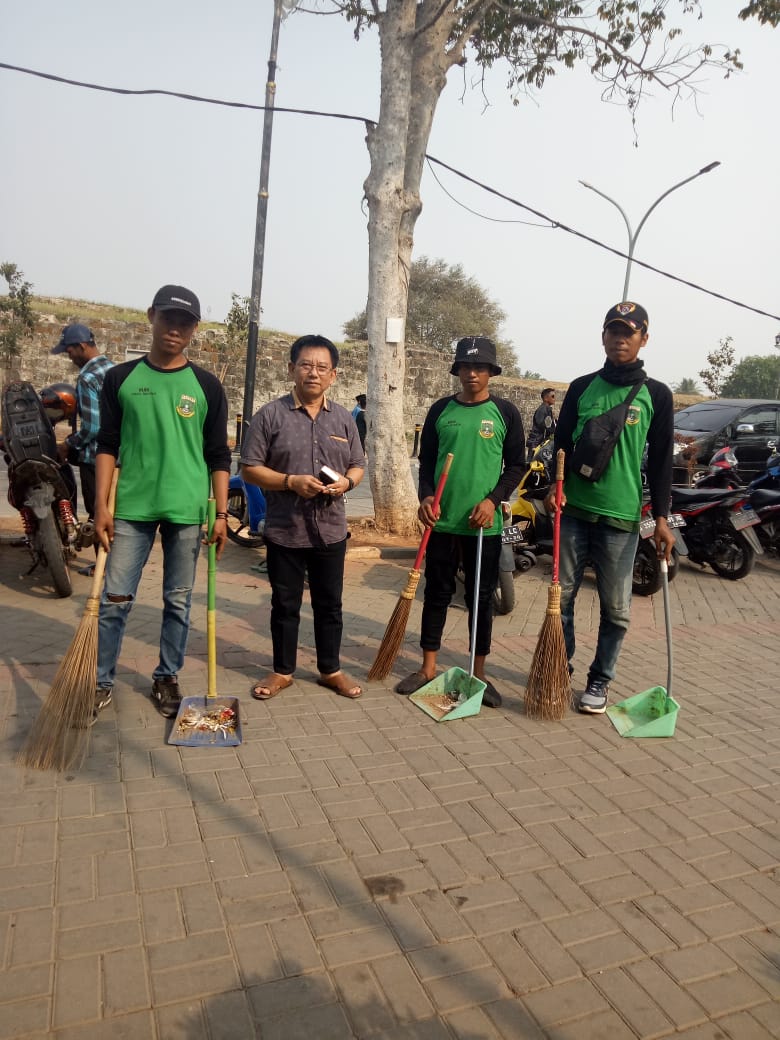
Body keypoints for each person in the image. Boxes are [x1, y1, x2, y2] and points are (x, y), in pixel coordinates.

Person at [93, 285, 230, 723]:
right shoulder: (120, 379)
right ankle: (100, 679)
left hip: (187, 511)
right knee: (115, 600)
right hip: (130, 509)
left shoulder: (207, 385)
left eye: (185, 322)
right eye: (168, 318)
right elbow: (107, 445)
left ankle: (166, 675)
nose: (175, 328)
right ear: (151, 315)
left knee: (177, 601)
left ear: (194, 329)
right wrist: (100, 507)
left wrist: (223, 514)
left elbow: (218, 456)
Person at [546, 302, 674, 715]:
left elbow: (660, 463)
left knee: (616, 609)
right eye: (613, 331)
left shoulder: (657, 394)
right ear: (602, 336)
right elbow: (561, 443)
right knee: (559, 599)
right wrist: (554, 485)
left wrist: (662, 518)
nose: (620, 339)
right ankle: (559, 668)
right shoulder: (582, 388)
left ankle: (600, 680)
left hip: (622, 518)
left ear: (644, 339)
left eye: (629, 332)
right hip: (575, 514)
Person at [394, 336, 526, 708]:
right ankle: (428, 668)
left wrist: (493, 499)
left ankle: (478, 672)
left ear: (491, 372)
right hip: (443, 523)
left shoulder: (505, 412)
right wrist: (424, 498)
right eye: (466, 367)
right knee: (436, 594)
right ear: (457, 370)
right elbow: (427, 464)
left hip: (483, 526)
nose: (472, 373)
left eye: (480, 367)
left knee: (480, 600)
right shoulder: (440, 410)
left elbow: (517, 465)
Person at [240, 334, 366, 701]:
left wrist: (346, 483)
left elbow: (358, 464)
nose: (313, 373)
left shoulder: (344, 419)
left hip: (331, 530)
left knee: (330, 604)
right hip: (285, 530)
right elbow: (249, 469)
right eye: (306, 365)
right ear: (291, 368)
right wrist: (289, 482)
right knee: (285, 604)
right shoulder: (270, 416)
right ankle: (282, 671)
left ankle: (330, 669)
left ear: (334, 375)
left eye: (321, 367)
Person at [51, 323, 114, 575]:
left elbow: (93, 427)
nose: (69, 357)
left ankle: (103, 568)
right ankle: (113, 566)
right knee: (114, 511)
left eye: (70, 351)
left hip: (96, 457)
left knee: (97, 511)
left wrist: (68, 444)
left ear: (82, 346)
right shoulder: (114, 369)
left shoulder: (88, 377)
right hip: (117, 455)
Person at [527, 387, 557, 453]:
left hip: (541, 441)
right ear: (546, 398)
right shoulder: (542, 410)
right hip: (537, 442)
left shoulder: (547, 409)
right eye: (552, 396)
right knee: (533, 462)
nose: (554, 398)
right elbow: (542, 425)